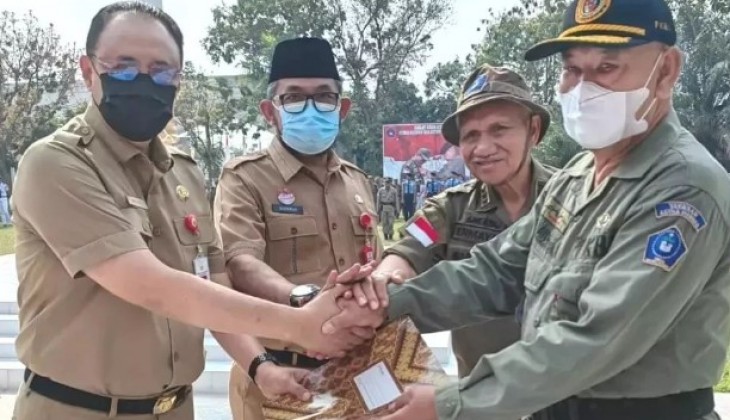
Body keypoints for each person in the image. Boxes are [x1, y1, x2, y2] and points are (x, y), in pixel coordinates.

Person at [327, 0, 730, 419]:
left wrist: (452, 405)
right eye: (572, 70)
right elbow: (495, 270)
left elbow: (598, 339)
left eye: (606, 69)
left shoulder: (681, 189)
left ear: (666, 71)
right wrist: (383, 308)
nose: (583, 89)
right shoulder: (577, 176)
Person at [9, 6, 363, 420]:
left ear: (178, 80)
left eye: (161, 71)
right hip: (77, 409)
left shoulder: (183, 173)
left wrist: (259, 366)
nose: (144, 81)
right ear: (89, 71)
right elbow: (151, 286)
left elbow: (212, 285)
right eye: (123, 67)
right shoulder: (56, 164)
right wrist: (298, 323)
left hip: (176, 408)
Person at [213, 37, 383, 420]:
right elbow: (240, 262)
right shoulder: (244, 179)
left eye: (323, 96)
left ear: (342, 109)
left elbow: (378, 261)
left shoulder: (357, 182)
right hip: (281, 374)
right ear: (269, 112)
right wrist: (303, 301)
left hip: (361, 368)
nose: (310, 107)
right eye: (293, 97)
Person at [373, 64, 555, 378]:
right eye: (471, 135)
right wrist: (380, 283)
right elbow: (406, 251)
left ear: (533, 130)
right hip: (479, 397)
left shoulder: (572, 199)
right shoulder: (449, 210)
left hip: (565, 398)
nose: (483, 148)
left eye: (499, 130)